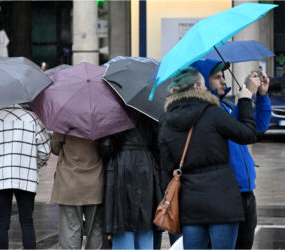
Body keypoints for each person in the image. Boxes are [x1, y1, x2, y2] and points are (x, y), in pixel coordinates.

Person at [159, 67, 257, 249]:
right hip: (223, 200)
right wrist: (245, 101)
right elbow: (248, 134)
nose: (205, 89)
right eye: (203, 85)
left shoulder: (166, 119)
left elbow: (166, 166)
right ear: (196, 86)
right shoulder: (212, 112)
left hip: (191, 203)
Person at [192, 59, 271, 249]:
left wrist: (262, 95)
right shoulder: (207, 112)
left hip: (246, 192)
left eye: (223, 76)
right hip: (227, 193)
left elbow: (258, 125)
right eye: (217, 77)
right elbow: (231, 128)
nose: (223, 81)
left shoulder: (226, 107)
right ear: (202, 83)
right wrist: (246, 96)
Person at [0, 105, 51, 249]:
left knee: (2, 220)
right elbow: (45, 151)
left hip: (0, 176)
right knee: (27, 220)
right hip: (26, 176)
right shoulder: (33, 118)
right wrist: (34, 164)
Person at [98, 113, 162, 249]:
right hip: (146, 167)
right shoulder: (150, 113)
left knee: (121, 219)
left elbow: (106, 146)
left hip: (121, 168)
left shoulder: (114, 112)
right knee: (146, 219)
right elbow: (159, 145)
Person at [51, 131, 105, 249]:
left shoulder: (64, 122)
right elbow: (106, 147)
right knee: (95, 229)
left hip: (68, 182)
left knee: (70, 229)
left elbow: (55, 148)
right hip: (95, 183)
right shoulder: (99, 120)